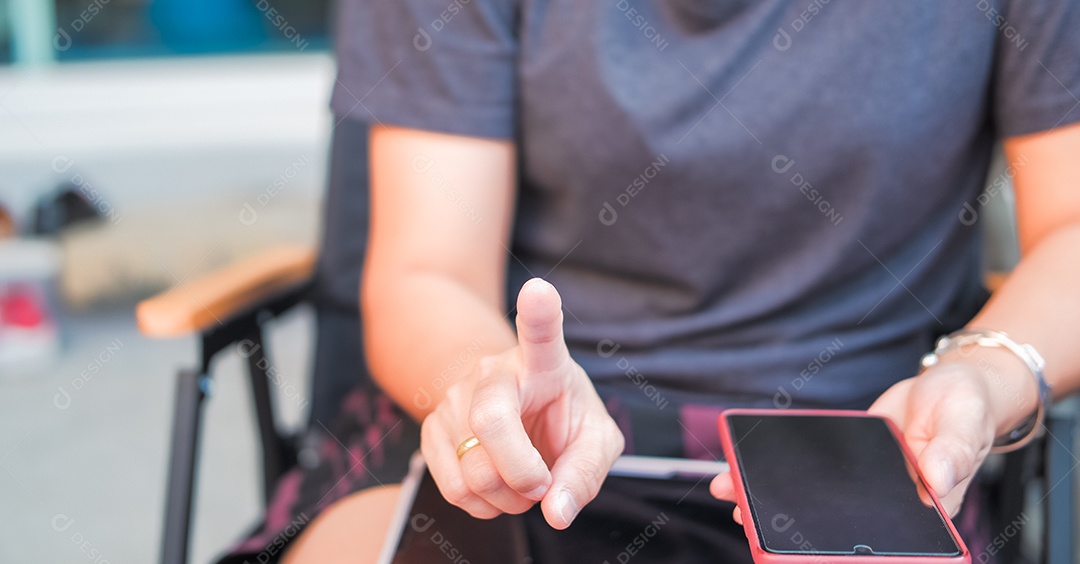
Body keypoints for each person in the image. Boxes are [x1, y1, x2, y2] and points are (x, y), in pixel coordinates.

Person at [255, 1, 1080, 562]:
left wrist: (987, 371)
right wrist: (481, 388)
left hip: (870, 437)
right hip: (534, 420)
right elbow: (426, 272)